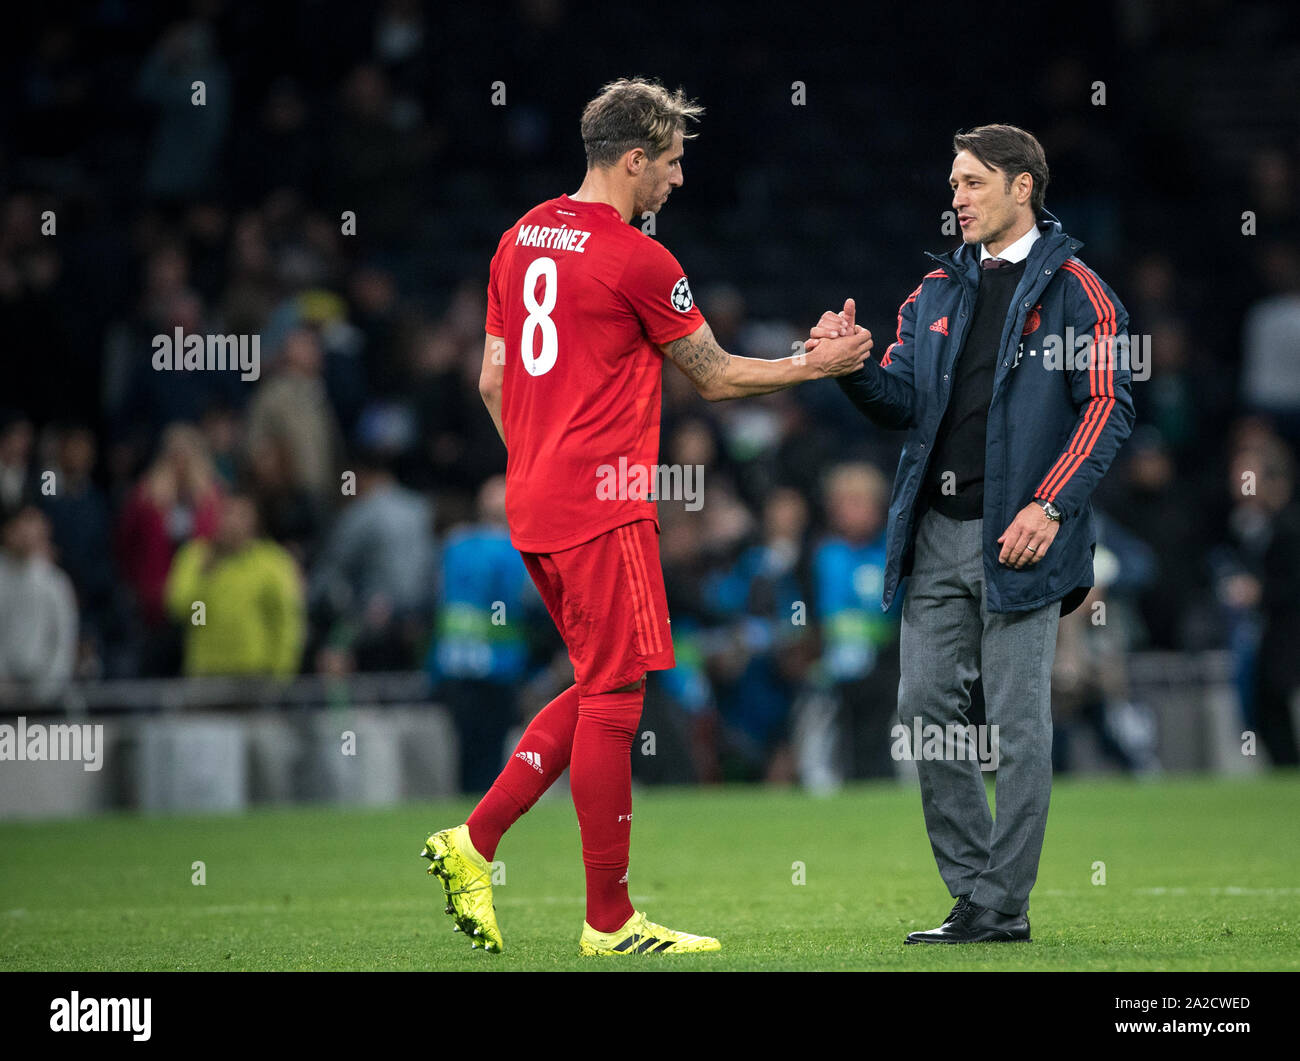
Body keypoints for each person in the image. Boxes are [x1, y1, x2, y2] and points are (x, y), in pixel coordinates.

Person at [421, 76, 872, 956]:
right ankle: (608, 919)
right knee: (618, 697)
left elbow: (490, 381)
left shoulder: (517, 239)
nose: (676, 180)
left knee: (598, 684)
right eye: (669, 163)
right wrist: (820, 366)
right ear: (632, 160)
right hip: (605, 504)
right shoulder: (637, 258)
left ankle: (474, 841)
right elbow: (715, 375)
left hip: (533, 500)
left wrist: (543, 460)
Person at [809, 125, 1134, 943]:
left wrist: (1049, 503)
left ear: (1022, 186)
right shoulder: (933, 293)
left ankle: (999, 906)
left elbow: (1109, 405)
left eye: (972, 183)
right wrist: (850, 369)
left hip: (1025, 536)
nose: (955, 198)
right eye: (953, 184)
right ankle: (974, 893)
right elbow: (903, 405)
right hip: (938, 536)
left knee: (1019, 723)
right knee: (923, 712)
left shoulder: (1082, 292)